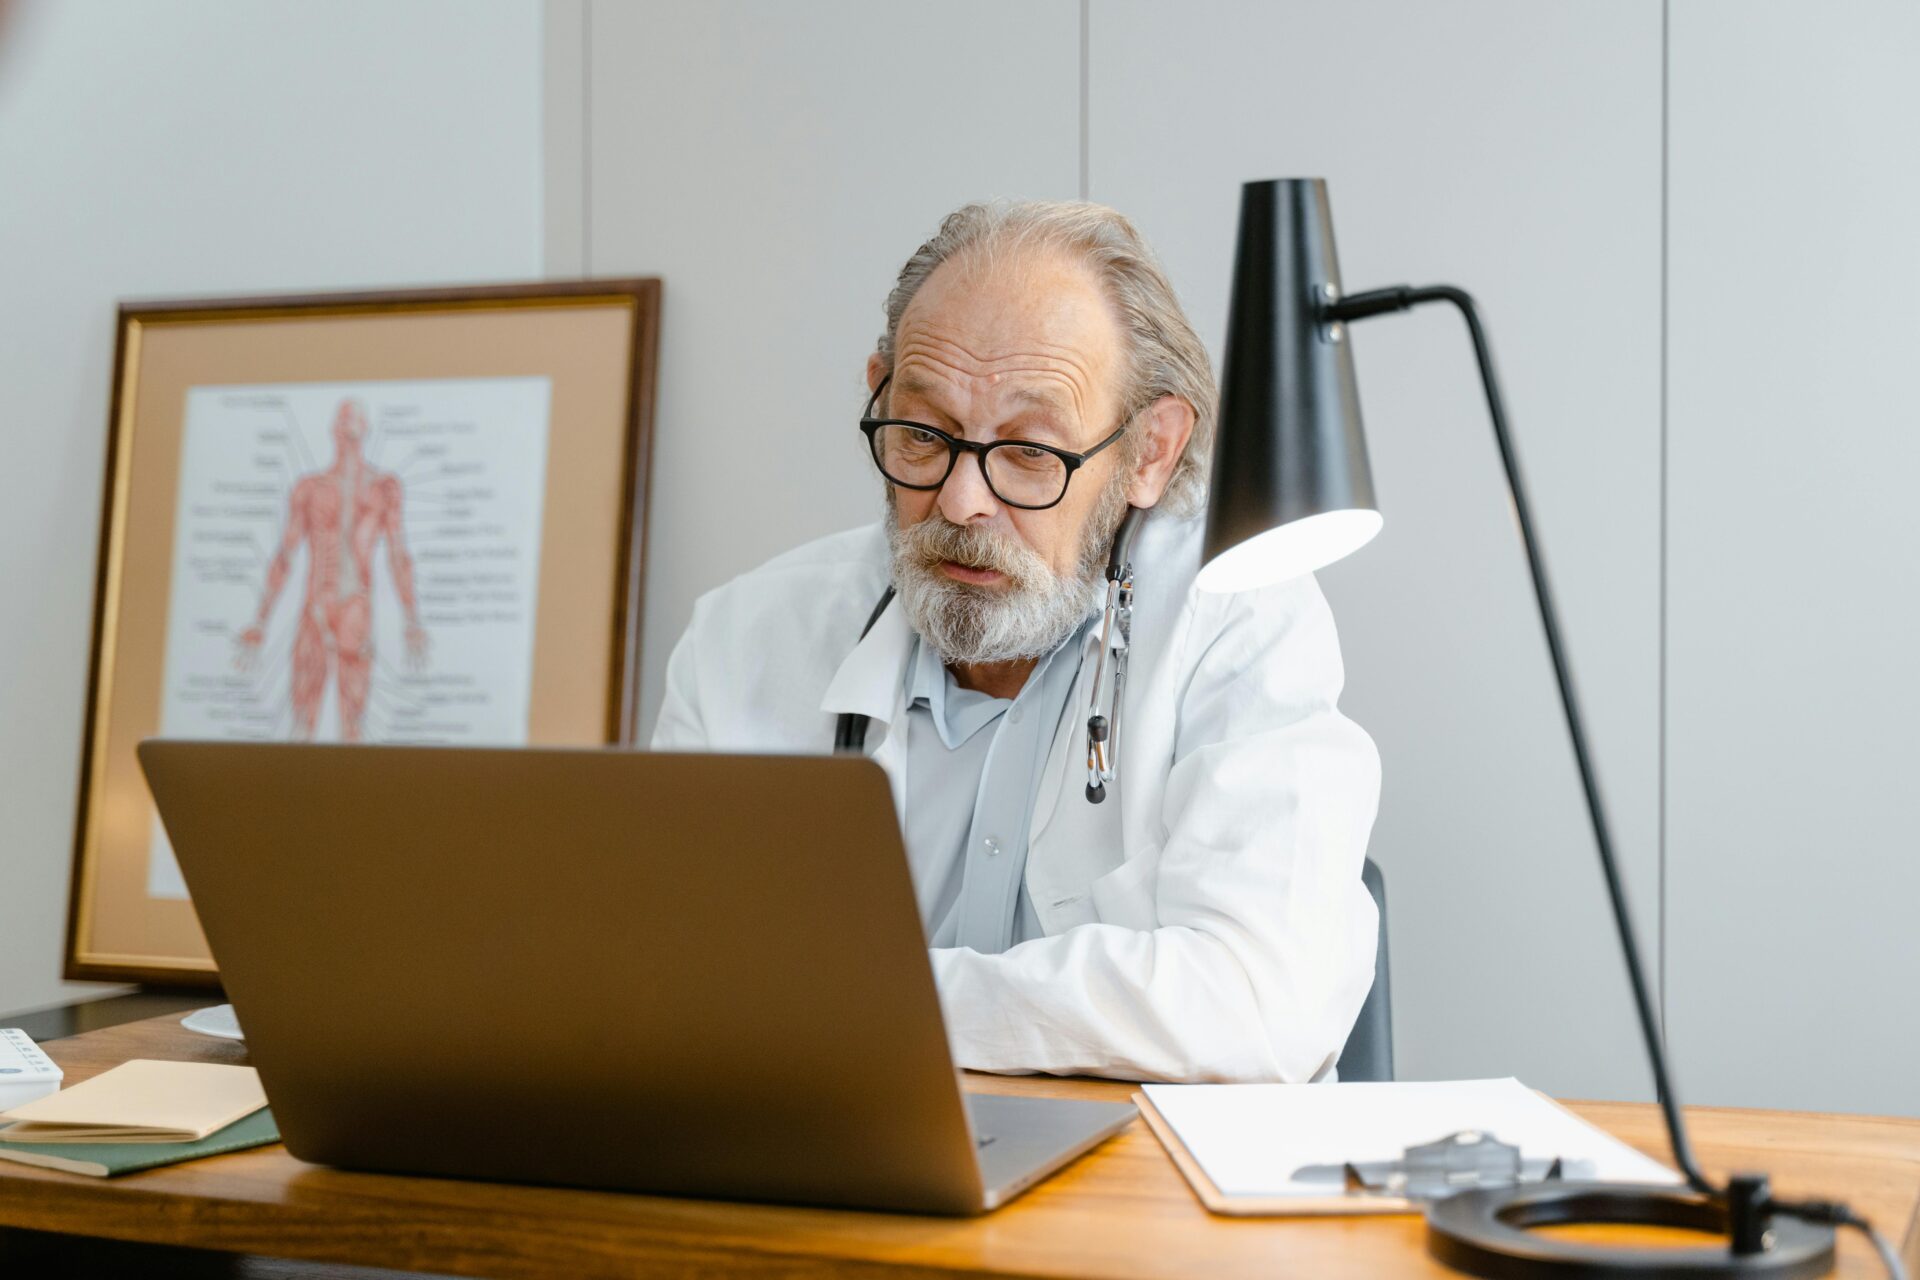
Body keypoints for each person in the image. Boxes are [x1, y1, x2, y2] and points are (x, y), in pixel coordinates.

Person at [653, 201, 1380, 1083]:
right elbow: (681, 993)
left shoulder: (1239, 614)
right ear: (880, 388)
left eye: (1030, 453)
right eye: (924, 435)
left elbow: (1260, 1001)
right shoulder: (745, 638)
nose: (962, 502)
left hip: (1144, 1197)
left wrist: (873, 1007)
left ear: (1151, 449)